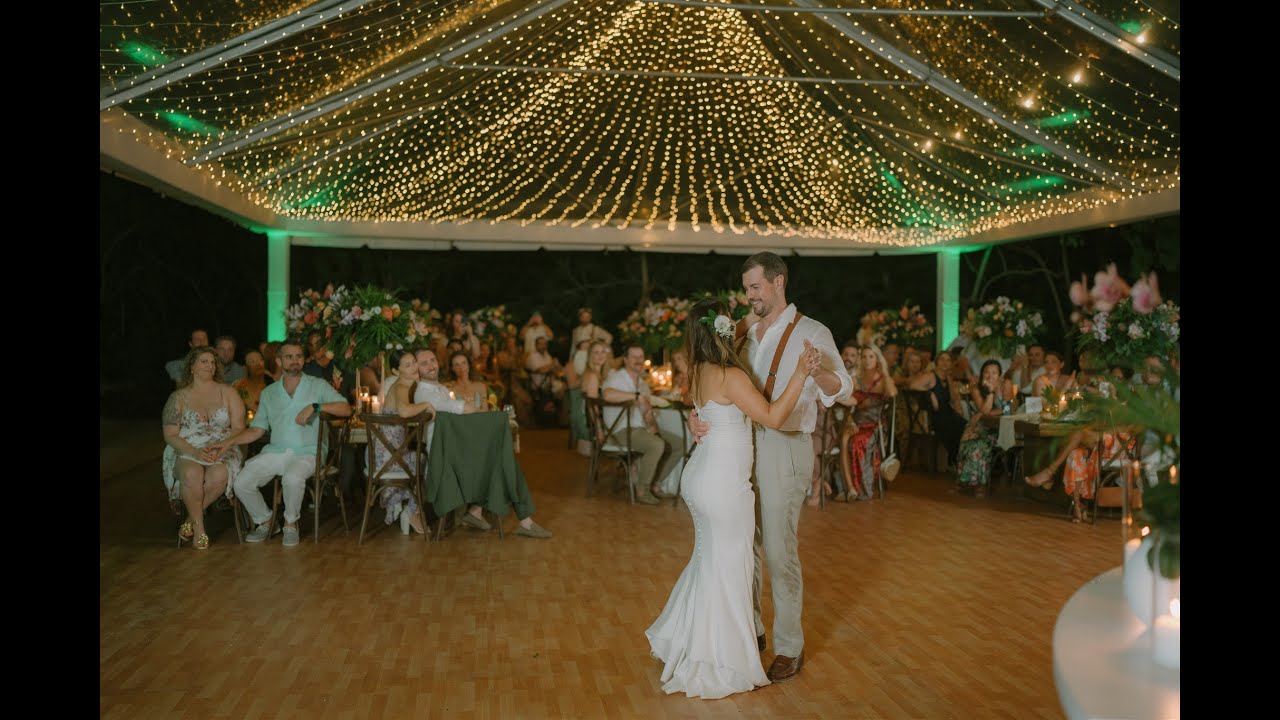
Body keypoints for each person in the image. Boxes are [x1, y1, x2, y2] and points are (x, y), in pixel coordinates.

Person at [687, 252, 852, 683]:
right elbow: (713, 374)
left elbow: (844, 388)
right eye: (746, 289)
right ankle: (752, 629)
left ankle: (789, 645)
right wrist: (696, 412)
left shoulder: (813, 332)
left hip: (785, 446)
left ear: (778, 282)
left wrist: (818, 375)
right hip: (740, 447)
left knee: (779, 549)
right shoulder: (740, 331)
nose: (749, 296)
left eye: (755, 288)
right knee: (747, 544)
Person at [645, 299, 819, 699]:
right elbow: (773, 417)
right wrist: (799, 372)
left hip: (703, 476)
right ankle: (718, 658)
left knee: (712, 562)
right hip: (723, 486)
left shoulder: (701, 372)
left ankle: (688, 639)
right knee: (728, 568)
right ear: (725, 332)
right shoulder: (729, 376)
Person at [212, 338, 352, 547]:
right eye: (289, 357)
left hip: (309, 452)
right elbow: (257, 430)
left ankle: (290, 523)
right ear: (279, 361)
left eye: (298, 356)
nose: (294, 361)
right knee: (242, 482)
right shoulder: (269, 393)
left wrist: (316, 407)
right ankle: (267, 521)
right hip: (276, 452)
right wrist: (228, 442)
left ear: (304, 359)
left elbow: (346, 409)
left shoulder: (317, 385)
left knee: (293, 478)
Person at [405, 349, 552, 538]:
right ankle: (517, 520)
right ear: (417, 368)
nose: (431, 365)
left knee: (501, 456)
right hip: (446, 457)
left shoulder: (440, 389)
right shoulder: (424, 393)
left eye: (433, 360)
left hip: (458, 448)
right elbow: (455, 407)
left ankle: (481, 513)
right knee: (501, 456)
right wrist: (488, 417)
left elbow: (458, 419)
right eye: (424, 363)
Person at [162, 346, 245, 550]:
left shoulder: (228, 392)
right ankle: (199, 529)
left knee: (218, 475)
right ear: (192, 366)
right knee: (192, 474)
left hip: (222, 448)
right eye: (204, 361)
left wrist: (223, 446)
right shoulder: (178, 397)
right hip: (187, 448)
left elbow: (239, 428)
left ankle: (190, 522)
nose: (210, 365)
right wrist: (195, 452)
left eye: (212, 362)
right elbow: (170, 434)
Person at [601, 343, 683, 505]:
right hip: (619, 431)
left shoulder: (642, 383)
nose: (638, 360)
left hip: (639, 429)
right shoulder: (617, 377)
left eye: (641, 357)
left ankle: (655, 482)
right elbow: (607, 395)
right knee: (657, 445)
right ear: (625, 360)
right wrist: (636, 396)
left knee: (678, 444)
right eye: (634, 357)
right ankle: (642, 489)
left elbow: (647, 415)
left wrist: (651, 420)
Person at [373, 350, 433, 535]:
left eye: (414, 362)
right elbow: (405, 412)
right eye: (407, 365)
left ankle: (410, 509)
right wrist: (426, 405)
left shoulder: (407, 386)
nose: (415, 367)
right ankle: (412, 510)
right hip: (388, 457)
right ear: (396, 372)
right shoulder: (400, 387)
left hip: (393, 452)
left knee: (420, 458)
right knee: (424, 460)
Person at [839, 344, 897, 502]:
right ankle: (849, 488)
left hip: (875, 425)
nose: (867, 360)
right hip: (856, 421)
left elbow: (892, 393)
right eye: (864, 357)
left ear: (877, 358)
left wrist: (885, 375)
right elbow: (849, 399)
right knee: (842, 438)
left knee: (856, 442)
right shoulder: (856, 378)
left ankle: (858, 488)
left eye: (871, 356)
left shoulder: (882, 378)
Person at [954, 359, 1015, 497]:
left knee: (980, 445)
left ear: (1000, 375)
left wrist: (982, 413)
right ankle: (965, 482)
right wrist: (991, 393)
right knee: (972, 443)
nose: (990, 376)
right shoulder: (976, 388)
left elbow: (1007, 410)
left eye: (994, 373)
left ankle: (979, 485)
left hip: (1000, 429)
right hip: (980, 427)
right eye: (986, 372)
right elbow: (985, 408)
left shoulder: (1006, 384)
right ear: (982, 375)